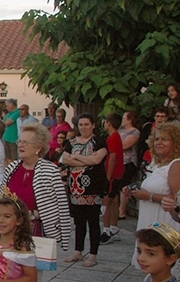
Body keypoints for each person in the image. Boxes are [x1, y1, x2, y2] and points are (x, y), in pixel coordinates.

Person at [2, 123, 70, 282]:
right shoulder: (12, 168)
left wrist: (61, 236)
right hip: (11, 231)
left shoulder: (49, 170)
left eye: (26, 142)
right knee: (11, 275)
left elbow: (61, 204)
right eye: (19, 141)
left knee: (32, 279)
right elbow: (2, 198)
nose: (20, 145)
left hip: (36, 231)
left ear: (39, 147)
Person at [128, 122, 180, 267]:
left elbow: (177, 201)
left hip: (165, 222)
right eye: (157, 139)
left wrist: (149, 196)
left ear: (176, 143)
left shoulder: (177, 164)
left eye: (164, 139)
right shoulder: (158, 165)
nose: (159, 142)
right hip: (151, 218)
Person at [60, 113, 108, 267]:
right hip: (75, 188)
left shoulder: (99, 142)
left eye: (87, 124)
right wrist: (86, 160)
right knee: (78, 221)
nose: (83, 127)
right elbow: (65, 159)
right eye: (81, 125)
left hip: (93, 187)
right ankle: (78, 251)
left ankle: (93, 254)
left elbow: (97, 160)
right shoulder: (72, 141)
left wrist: (76, 157)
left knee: (93, 221)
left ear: (93, 125)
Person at [101, 113, 126, 245]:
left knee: (106, 200)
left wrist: (108, 176)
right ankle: (114, 228)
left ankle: (106, 230)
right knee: (114, 199)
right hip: (118, 173)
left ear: (109, 123)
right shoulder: (116, 137)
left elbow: (113, 157)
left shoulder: (113, 138)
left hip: (113, 174)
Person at [118, 111, 141, 220]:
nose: (122, 121)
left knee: (124, 186)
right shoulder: (120, 130)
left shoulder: (135, 132)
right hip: (119, 161)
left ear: (130, 120)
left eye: (124, 118)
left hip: (129, 161)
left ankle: (122, 211)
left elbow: (124, 146)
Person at [1, 99, 20, 164]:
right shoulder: (9, 114)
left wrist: (4, 123)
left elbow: (8, 122)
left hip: (13, 138)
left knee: (14, 157)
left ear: (12, 105)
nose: (6, 107)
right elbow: (2, 123)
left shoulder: (17, 112)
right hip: (6, 138)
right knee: (8, 157)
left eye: (7, 106)